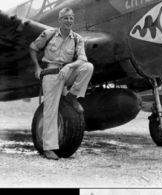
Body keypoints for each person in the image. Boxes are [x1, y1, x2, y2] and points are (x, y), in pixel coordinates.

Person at [29, 7, 94, 160]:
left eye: (71, 18)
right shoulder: (49, 34)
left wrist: (69, 66)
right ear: (60, 20)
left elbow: (83, 59)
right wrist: (37, 67)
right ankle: (48, 149)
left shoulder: (77, 38)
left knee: (88, 67)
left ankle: (72, 97)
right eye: (65, 18)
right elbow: (33, 47)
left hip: (66, 72)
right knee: (50, 111)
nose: (69, 21)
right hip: (51, 74)